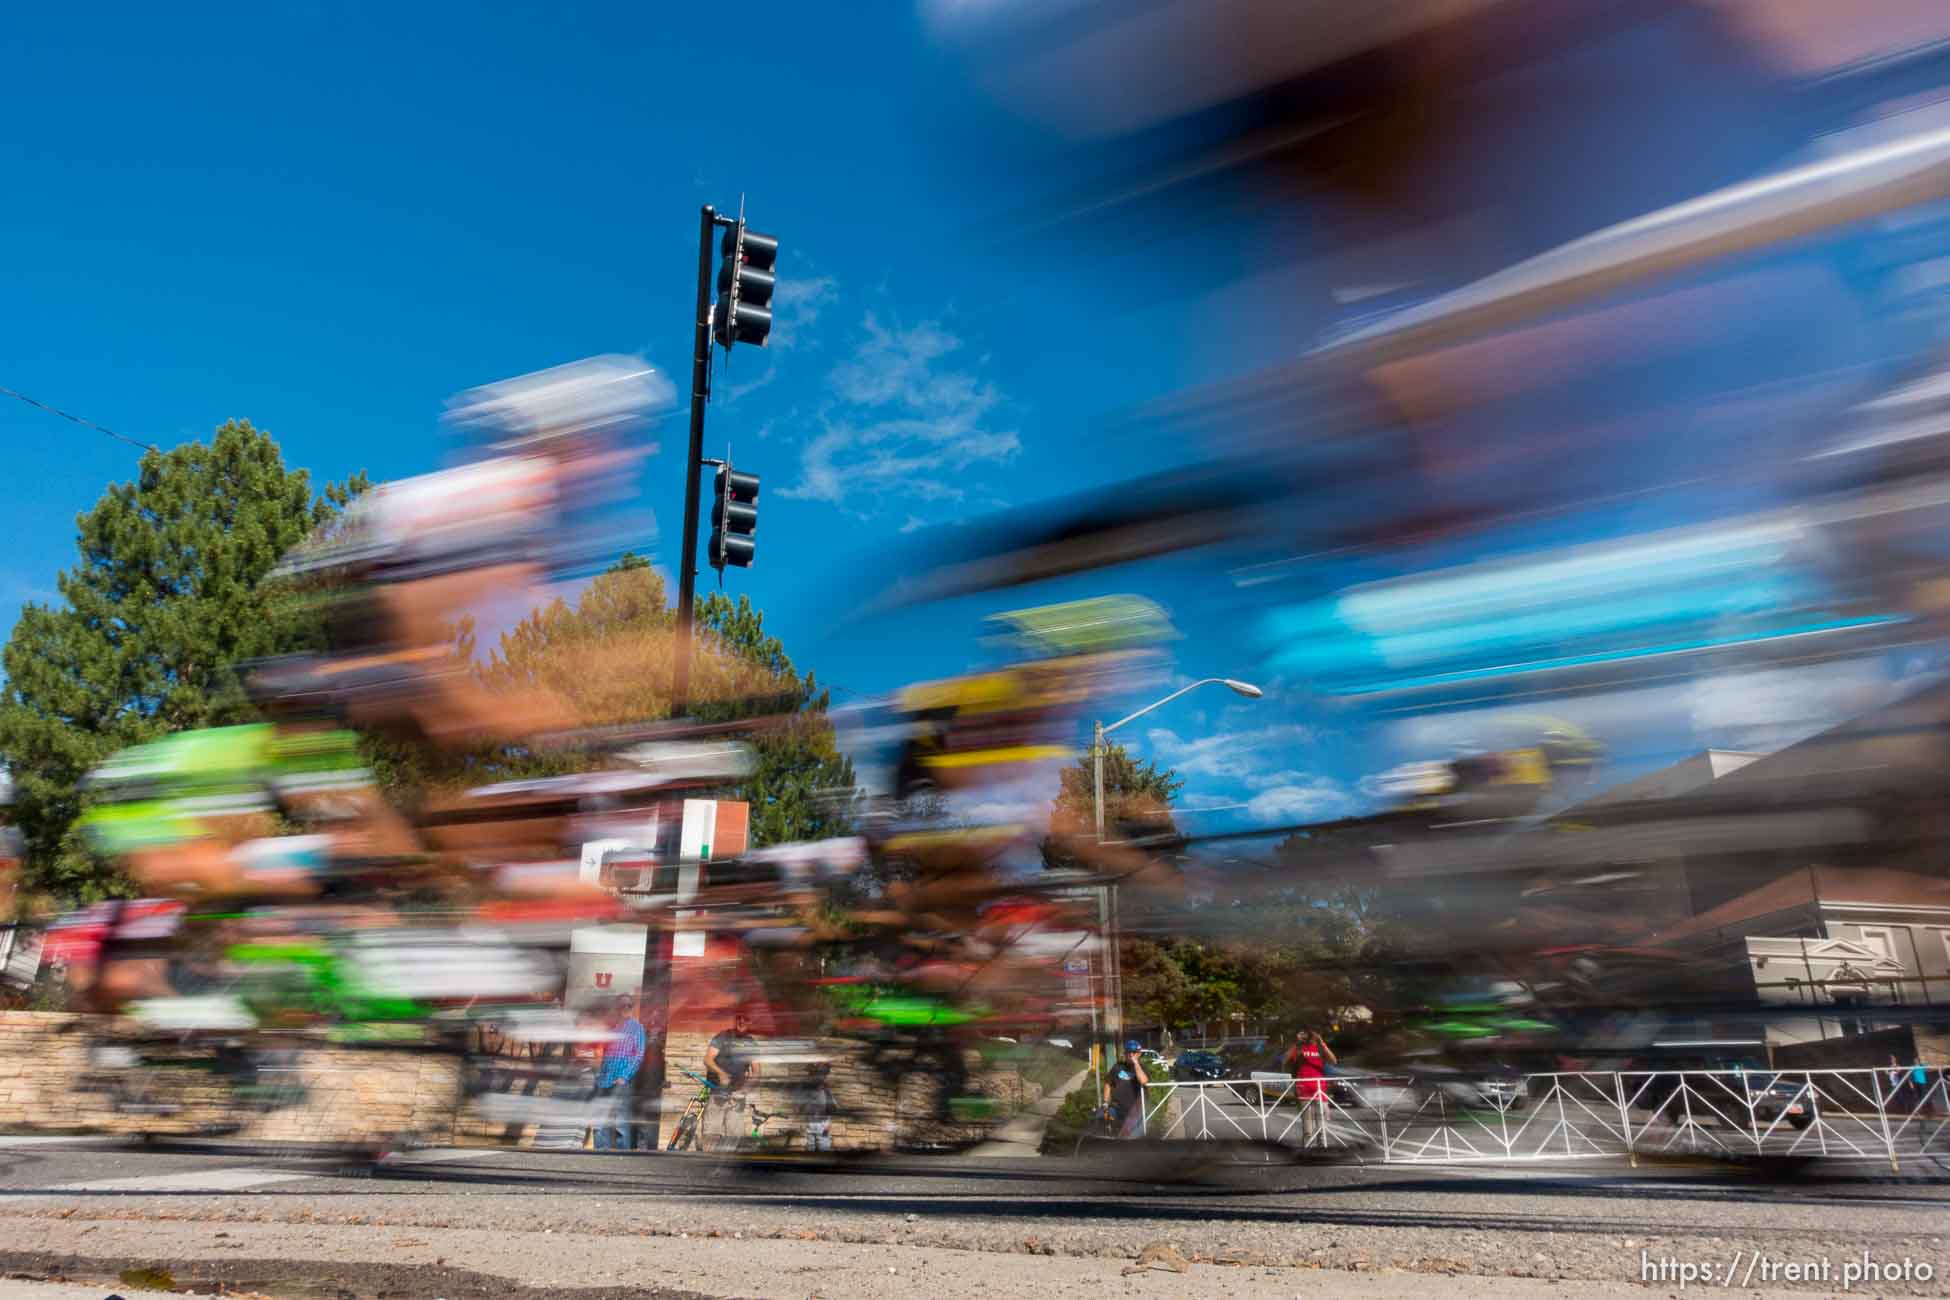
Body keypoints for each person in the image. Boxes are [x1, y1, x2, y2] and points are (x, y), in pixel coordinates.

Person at [703, 1008, 761, 1150]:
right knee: (711, 1133)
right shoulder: (722, 1037)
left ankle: (727, 1166)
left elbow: (757, 1071)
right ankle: (706, 1164)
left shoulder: (751, 1043)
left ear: (750, 1022)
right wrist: (721, 1073)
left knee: (734, 1135)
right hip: (718, 1091)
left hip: (737, 1094)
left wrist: (745, 1090)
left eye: (745, 1019)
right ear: (736, 1020)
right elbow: (708, 1059)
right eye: (739, 1018)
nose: (742, 1021)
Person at [592, 997, 645, 1151]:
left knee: (621, 1123)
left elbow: (639, 1054)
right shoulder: (612, 1028)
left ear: (632, 1008)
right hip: (604, 1079)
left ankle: (622, 1160)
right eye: (622, 1005)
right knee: (600, 1121)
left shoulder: (637, 1027)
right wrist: (599, 1075)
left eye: (628, 1005)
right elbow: (604, 1053)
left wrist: (625, 1076)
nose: (625, 1008)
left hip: (621, 1080)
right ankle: (600, 1155)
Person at [1284, 1028, 1338, 1147]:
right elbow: (1285, 1061)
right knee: (1308, 1129)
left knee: (1321, 1127)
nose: (1308, 1036)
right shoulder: (1299, 1048)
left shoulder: (1319, 1047)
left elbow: (1334, 1061)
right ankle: (1308, 1151)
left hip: (1320, 1090)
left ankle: (1322, 1151)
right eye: (1305, 1034)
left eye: (1311, 1034)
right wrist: (1297, 1043)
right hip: (1303, 1089)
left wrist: (1321, 1042)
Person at [1102, 1040, 1150, 1139]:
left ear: (1139, 1054)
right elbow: (1108, 1083)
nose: (1131, 1055)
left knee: (1131, 1137)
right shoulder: (1118, 1066)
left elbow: (1143, 1081)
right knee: (1111, 1133)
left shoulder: (1142, 1067)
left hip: (1135, 1111)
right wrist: (1105, 1102)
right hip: (1117, 1107)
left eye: (1134, 1052)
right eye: (1128, 1052)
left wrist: (1136, 1064)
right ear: (1125, 1053)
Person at [801, 1062, 836, 1152]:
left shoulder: (826, 1091)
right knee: (810, 1150)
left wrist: (828, 1124)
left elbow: (832, 1109)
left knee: (823, 1150)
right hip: (811, 1126)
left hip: (823, 1126)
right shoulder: (808, 1091)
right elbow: (802, 1108)